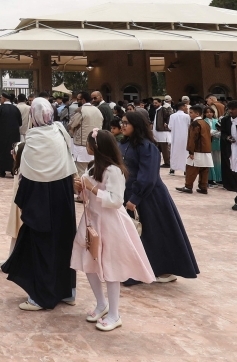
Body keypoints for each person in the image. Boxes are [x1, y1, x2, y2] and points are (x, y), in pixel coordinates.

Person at [71, 129, 155, 331]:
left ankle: (115, 314)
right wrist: (80, 188)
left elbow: (116, 201)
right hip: (92, 220)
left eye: (89, 144)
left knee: (111, 268)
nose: (86, 147)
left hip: (110, 224)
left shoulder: (114, 171)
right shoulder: (93, 168)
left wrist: (91, 189)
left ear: (97, 147)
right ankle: (101, 304)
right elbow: (88, 196)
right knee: (87, 261)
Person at [1, 97, 78, 310]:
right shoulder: (60, 132)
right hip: (62, 196)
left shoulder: (33, 139)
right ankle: (66, 292)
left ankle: (41, 296)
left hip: (40, 199)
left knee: (41, 246)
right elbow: (69, 166)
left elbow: (27, 176)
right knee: (63, 243)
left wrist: (23, 204)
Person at [118, 111, 199, 283]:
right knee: (136, 235)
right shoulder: (123, 144)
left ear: (137, 125)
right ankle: (138, 270)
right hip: (128, 194)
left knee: (154, 234)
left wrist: (135, 198)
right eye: (122, 122)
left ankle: (162, 270)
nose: (122, 126)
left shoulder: (147, 147)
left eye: (127, 123)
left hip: (149, 197)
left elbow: (148, 176)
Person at [176, 104, 213, 195]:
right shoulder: (206, 123)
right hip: (206, 150)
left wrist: (191, 151)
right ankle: (203, 187)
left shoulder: (195, 124)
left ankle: (188, 186)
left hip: (197, 150)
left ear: (197, 114)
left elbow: (192, 138)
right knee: (204, 170)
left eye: (191, 113)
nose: (189, 114)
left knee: (191, 169)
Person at [69, 93, 103, 177]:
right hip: (96, 146)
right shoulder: (97, 110)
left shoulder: (80, 110)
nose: (77, 101)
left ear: (83, 100)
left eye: (78, 99)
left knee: (80, 173)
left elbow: (71, 125)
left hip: (82, 147)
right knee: (93, 173)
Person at [0, 91, 22, 178]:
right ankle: (13, 170)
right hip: (14, 134)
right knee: (13, 151)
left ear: (3, 98)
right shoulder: (16, 108)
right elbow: (20, 122)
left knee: (2, 151)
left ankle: (2, 171)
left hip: (2, 135)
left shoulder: (0, 108)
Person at [167, 102, 190, 176]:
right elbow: (189, 126)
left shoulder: (172, 116)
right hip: (185, 137)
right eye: (186, 106)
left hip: (175, 137)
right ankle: (185, 170)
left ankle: (172, 169)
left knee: (174, 152)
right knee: (185, 153)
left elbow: (170, 127)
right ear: (182, 107)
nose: (187, 108)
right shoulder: (187, 116)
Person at [203, 106, 222, 186]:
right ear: (204, 114)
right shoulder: (203, 121)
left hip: (217, 143)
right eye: (207, 112)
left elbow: (221, 132)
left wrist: (213, 133)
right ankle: (210, 178)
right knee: (209, 162)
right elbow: (207, 132)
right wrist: (215, 132)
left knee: (218, 161)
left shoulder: (216, 121)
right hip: (208, 144)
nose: (209, 113)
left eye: (210, 112)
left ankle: (218, 178)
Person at [153, 97, 173, 168]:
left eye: (156, 103)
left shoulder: (163, 109)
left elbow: (170, 116)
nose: (154, 104)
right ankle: (165, 162)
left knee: (165, 149)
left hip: (163, 132)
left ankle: (168, 163)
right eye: (154, 103)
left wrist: (166, 123)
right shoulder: (157, 110)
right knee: (161, 148)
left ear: (160, 103)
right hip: (158, 132)